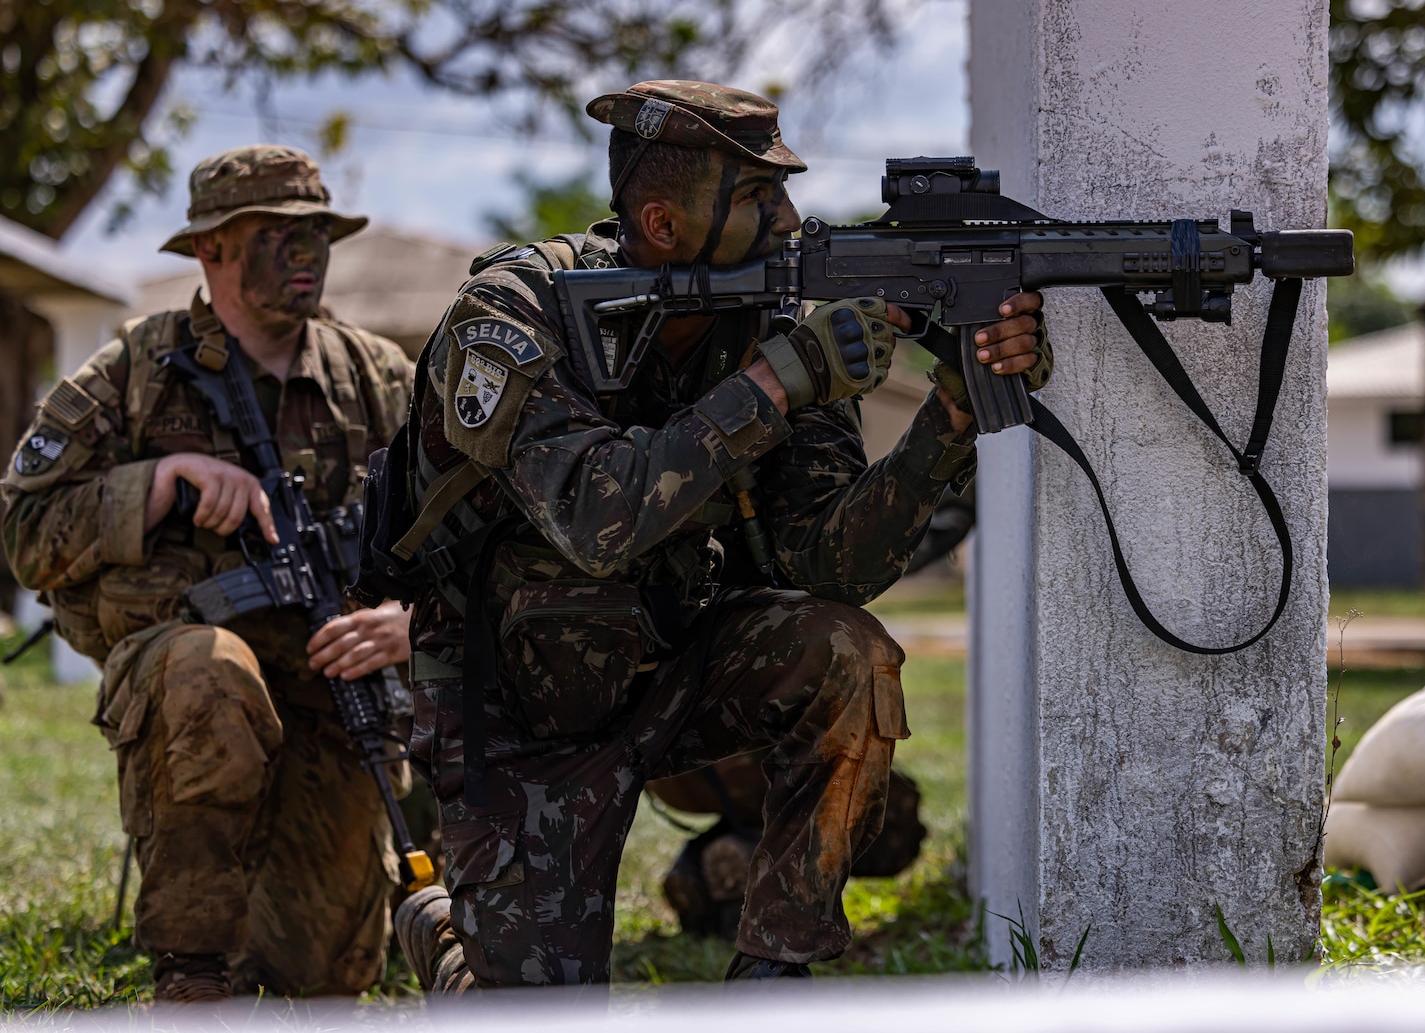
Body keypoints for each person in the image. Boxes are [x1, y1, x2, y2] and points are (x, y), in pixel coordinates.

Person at [387, 80, 1049, 989]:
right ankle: (442, 934)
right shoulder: (512, 315)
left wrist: (949, 417)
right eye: (756, 198)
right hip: (511, 710)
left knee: (846, 652)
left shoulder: (769, 318)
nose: (789, 220)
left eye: (783, 190)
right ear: (660, 223)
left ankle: (774, 979)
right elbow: (594, 519)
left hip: (669, 670)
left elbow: (824, 562)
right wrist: (777, 385)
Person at [1, 146, 416, 1001]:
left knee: (322, 978)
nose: (305, 255)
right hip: (185, 678)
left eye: (317, 236)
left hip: (337, 686)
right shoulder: (132, 374)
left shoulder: (376, 379)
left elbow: (476, 525)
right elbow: (24, 529)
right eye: (276, 235)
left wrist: (412, 615)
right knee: (209, 669)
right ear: (210, 250)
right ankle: (190, 980)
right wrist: (155, 483)